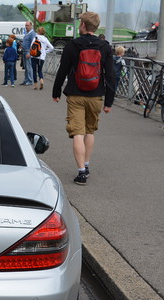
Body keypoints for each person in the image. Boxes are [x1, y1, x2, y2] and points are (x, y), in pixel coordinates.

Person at [51, 11, 115, 186]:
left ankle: (81, 173)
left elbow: (62, 70)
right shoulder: (105, 46)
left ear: (84, 26)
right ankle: (86, 164)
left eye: (80, 24)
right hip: (96, 95)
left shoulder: (73, 45)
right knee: (89, 131)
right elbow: (110, 75)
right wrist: (109, 101)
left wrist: (56, 92)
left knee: (77, 133)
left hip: (75, 94)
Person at [21, 21, 36, 86]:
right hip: (24, 51)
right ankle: (26, 80)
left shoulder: (32, 34)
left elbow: (33, 44)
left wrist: (30, 53)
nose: (26, 27)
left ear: (31, 25)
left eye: (27, 25)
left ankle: (30, 80)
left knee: (29, 67)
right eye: (25, 25)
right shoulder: (27, 33)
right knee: (26, 67)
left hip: (28, 52)